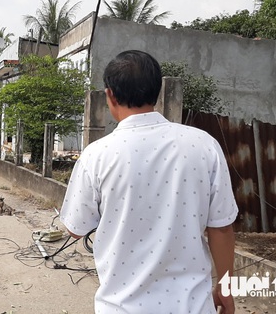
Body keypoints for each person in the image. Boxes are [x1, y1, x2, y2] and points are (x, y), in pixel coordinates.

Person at [59, 50, 238, 314]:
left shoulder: (96, 155)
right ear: (157, 90)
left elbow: (75, 227)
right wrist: (225, 290)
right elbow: (221, 228)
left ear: (110, 95)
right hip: (193, 307)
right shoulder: (204, 145)